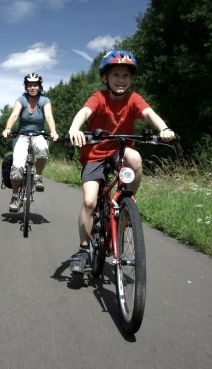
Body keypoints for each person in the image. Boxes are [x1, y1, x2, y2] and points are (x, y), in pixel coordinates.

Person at [67, 49, 175, 273]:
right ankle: (83, 249)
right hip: (94, 153)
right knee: (89, 202)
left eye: (126, 76)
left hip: (121, 149)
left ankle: (127, 202)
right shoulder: (99, 97)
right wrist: (74, 128)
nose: (121, 80)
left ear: (131, 79)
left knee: (135, 156)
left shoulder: (133, 98)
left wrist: (163, 128)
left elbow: (149, 114)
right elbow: (84, 112)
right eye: (115, 75)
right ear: (105, 77)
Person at [2, 73, 59, 212]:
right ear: (26, 87)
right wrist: (8, 128)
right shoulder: (21, 99)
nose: (32, 87)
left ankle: (38, 176)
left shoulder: (44, 100)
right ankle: (15, 196)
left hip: (38, 134)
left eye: (35, 85)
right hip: (21, 135)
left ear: (39, 86)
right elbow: (14, 115)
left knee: (42, 149)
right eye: (29, 85)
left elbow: (49, 116)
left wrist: (53, 131)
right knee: (17, 166)